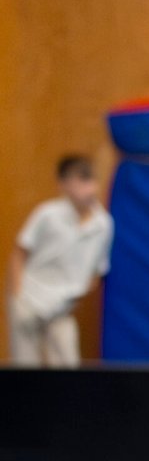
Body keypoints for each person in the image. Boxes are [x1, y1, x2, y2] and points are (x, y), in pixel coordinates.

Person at [8, 154, 114, 368]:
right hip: (30, 299)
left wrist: (73, 295)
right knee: (25, 367)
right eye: (77, 181)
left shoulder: (103, 223)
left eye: (88, 180)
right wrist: (18, 296)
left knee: (67, 366)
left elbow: (98, 270)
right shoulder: (47, 215)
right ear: (64, 184)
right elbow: (19, 253)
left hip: (61, 308)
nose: (85, 188)